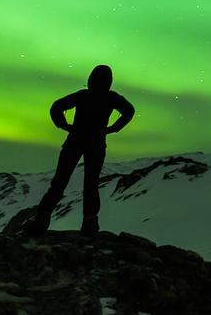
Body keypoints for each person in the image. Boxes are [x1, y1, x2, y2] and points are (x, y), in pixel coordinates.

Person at [27, 64, 135, 236]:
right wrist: (113, 128)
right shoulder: (111, 98)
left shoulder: (84, 96)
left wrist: (64, 125)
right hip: (96, 143)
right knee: (90, 184)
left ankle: (42, 220)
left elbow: (57, 107)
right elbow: (129, 111)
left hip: (75, 141)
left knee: (60, 182)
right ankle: (89, 224)